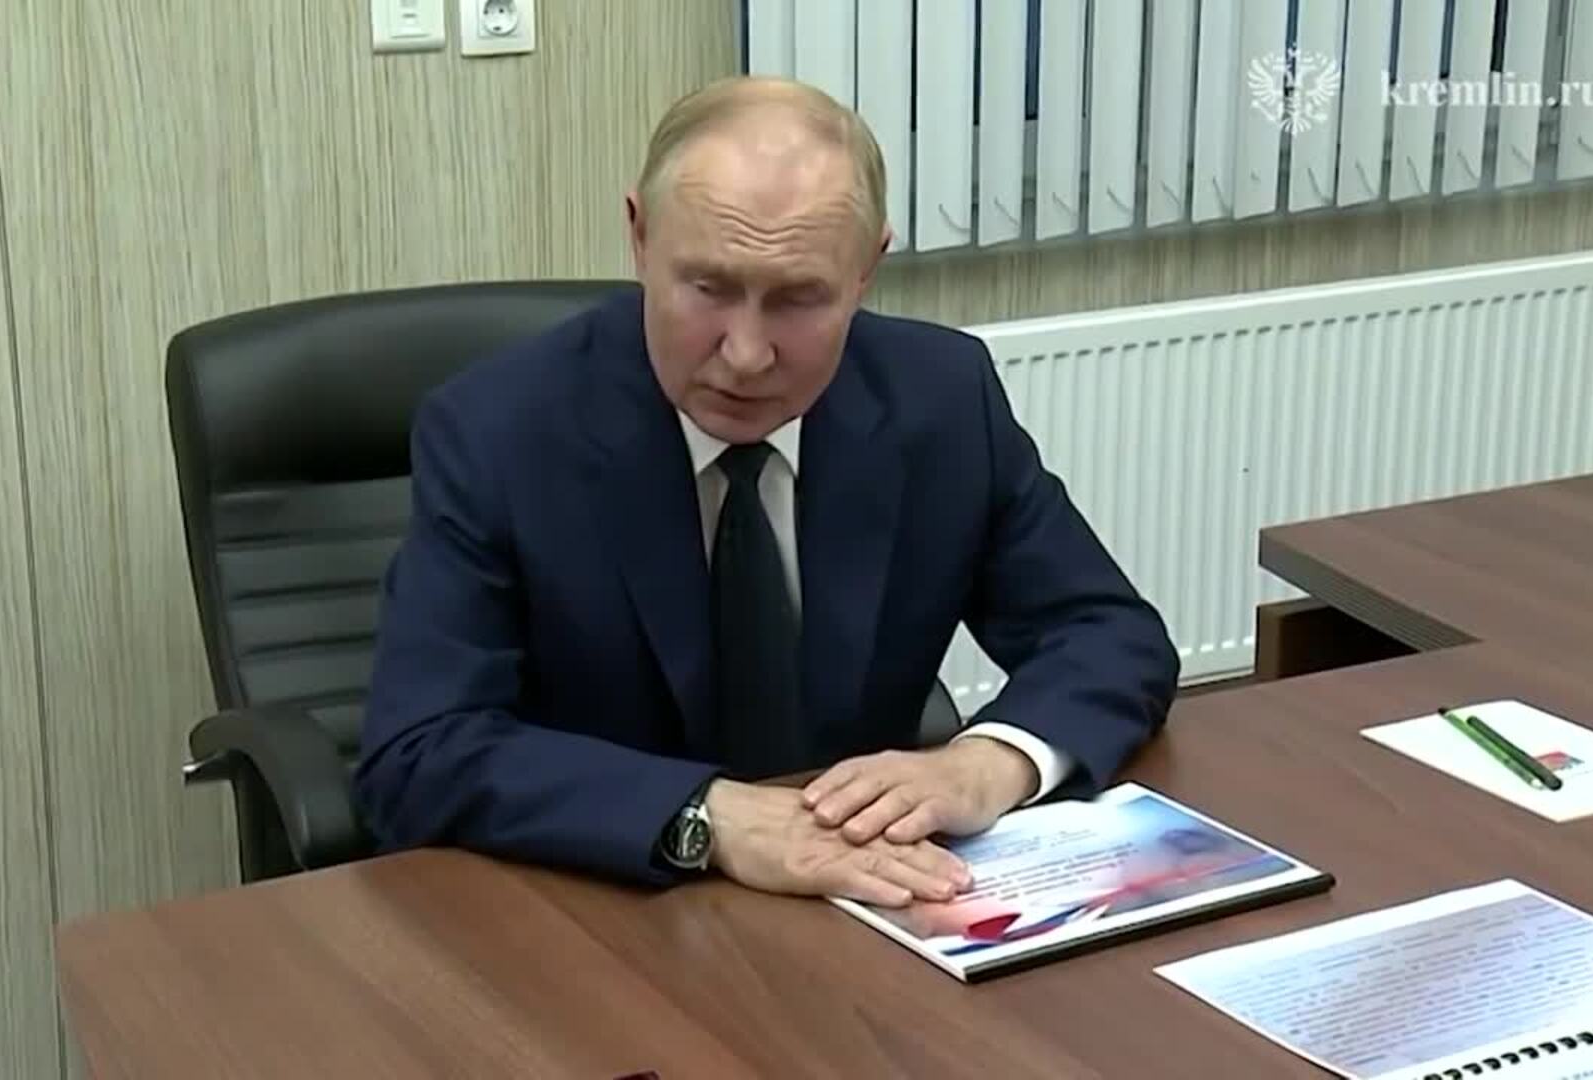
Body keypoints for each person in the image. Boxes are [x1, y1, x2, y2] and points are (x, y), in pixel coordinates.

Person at [355, 75, 1180, 909]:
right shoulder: (499, 430)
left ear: (867, 268)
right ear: (640, 236)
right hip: (605, 911)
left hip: (864, 905)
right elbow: (419, 751)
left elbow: (1110, 634)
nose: (746, 354)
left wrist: (989, 761)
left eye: (797, 298)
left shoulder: (939, 398)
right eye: (708, 288)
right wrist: (705, 816)